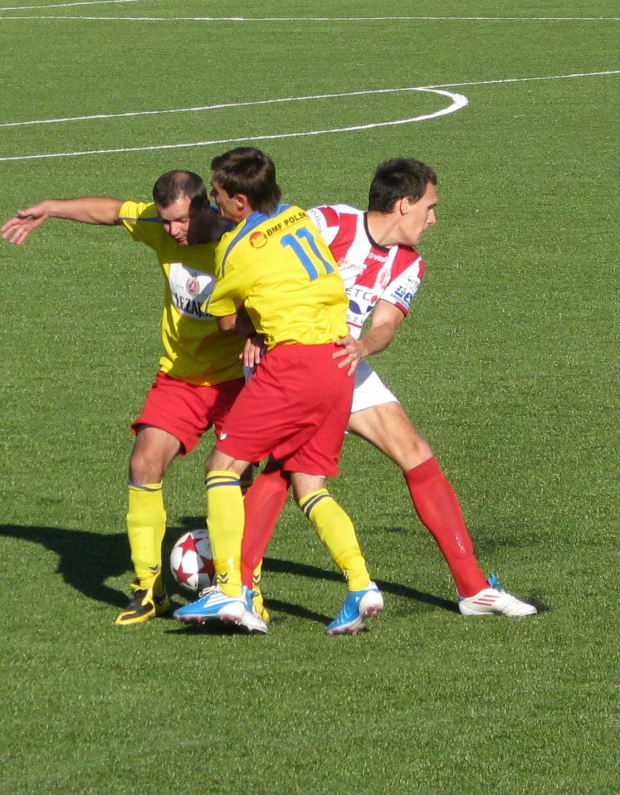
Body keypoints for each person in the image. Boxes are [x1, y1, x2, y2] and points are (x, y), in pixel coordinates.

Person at [238, 158, 537, 618]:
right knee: (284, 468)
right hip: (290, 360)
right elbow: (261, 265)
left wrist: (363, 345)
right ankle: (237, 585)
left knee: (415, 450)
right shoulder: (328, 223)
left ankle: (474, 589)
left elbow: (387, 325)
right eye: (430, 207)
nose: (434, 219)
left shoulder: (408, 264)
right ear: (404, 203)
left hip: (344, 360)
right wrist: (256, 328)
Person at [1, 171, 250, 626]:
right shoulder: (160, 229)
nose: (171, 230)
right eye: (165, 220)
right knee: (143, 464)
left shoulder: (241, 241)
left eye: (178, 221)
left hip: (241, 380)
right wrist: (51, 207)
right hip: (182, 378)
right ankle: (148, 587)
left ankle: (241, 585)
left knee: (239, 481)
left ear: (204, 206)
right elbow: (113, 211)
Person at [173, 146, 384, 635]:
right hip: (337, 364)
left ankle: (228, 589)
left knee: (222, 468)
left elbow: (227, 320)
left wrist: (242, 315)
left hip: (293, 364)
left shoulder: (234, 250)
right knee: (309, 485)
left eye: (219, 197)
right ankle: (360, 585)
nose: (214, 205)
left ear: (241, 201)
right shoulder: (297, 218)